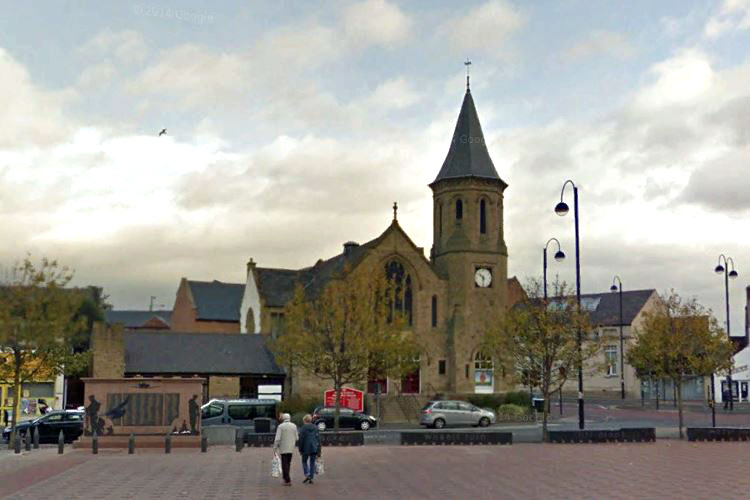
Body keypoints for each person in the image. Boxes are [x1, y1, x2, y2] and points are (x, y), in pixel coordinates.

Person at [273, 413, 298, 486]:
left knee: (284, 463)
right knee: (288, 463)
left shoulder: (280, 426)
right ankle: (285, 477)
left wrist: (275, 448)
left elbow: (277, 439)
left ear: (283, 418)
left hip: (283, 447)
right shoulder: (294, 426)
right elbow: (297, 437)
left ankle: (287, 479)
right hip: (291, 447)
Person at [298, 414, 322, 484]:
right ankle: (311, 477)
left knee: (304, 461)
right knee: (312, 462)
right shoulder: (315, 427)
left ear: (304, 420)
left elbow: (301, 440)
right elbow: (318, 439)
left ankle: (307, 474)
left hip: (305, 448)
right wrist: (319, 449)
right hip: (314, 447)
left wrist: (300, 449)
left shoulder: (303, 428)